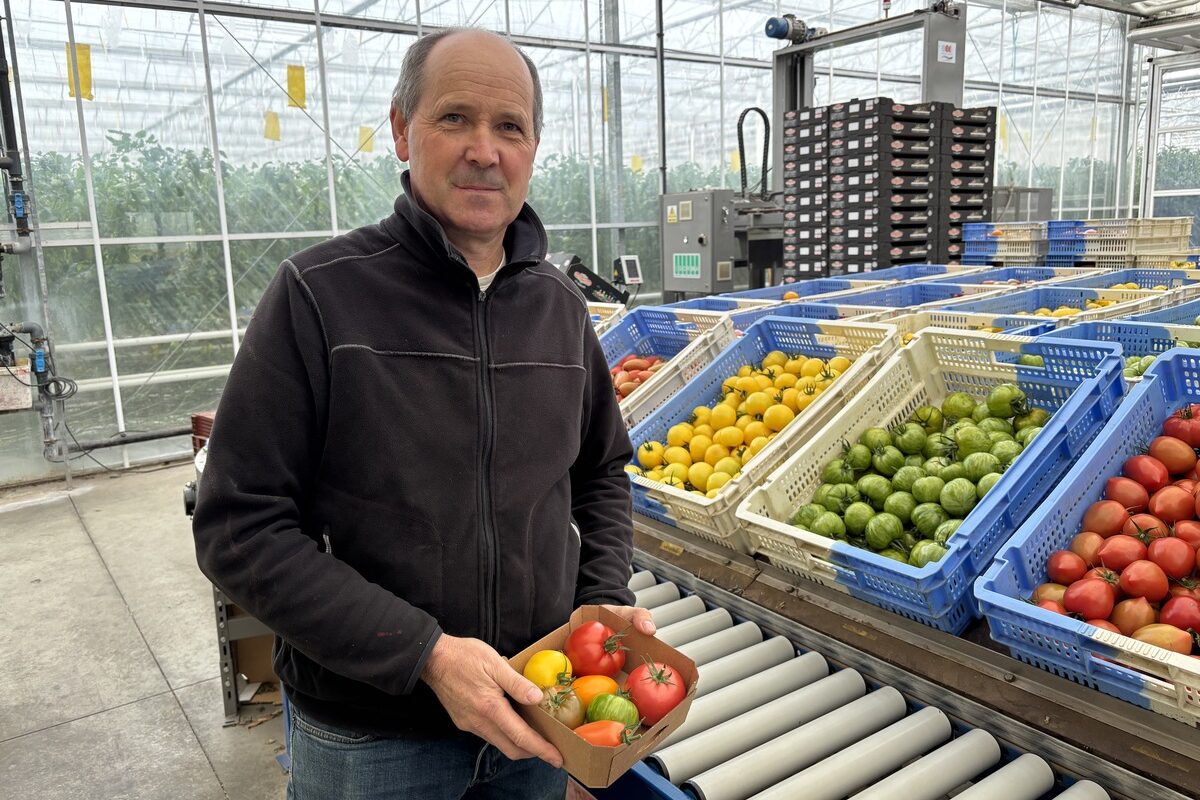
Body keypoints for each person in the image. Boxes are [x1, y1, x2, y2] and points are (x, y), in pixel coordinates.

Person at [191, 27, 653, 799]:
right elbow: (238, 527)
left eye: (510, 126)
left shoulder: (559, 311)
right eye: (454, 119)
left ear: (534, 146)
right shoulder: (318, 297)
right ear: (403, 130)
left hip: (533, 719)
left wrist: (602, 597)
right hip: (374, 739)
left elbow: (600, 472)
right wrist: (426, 654)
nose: (485, 150)